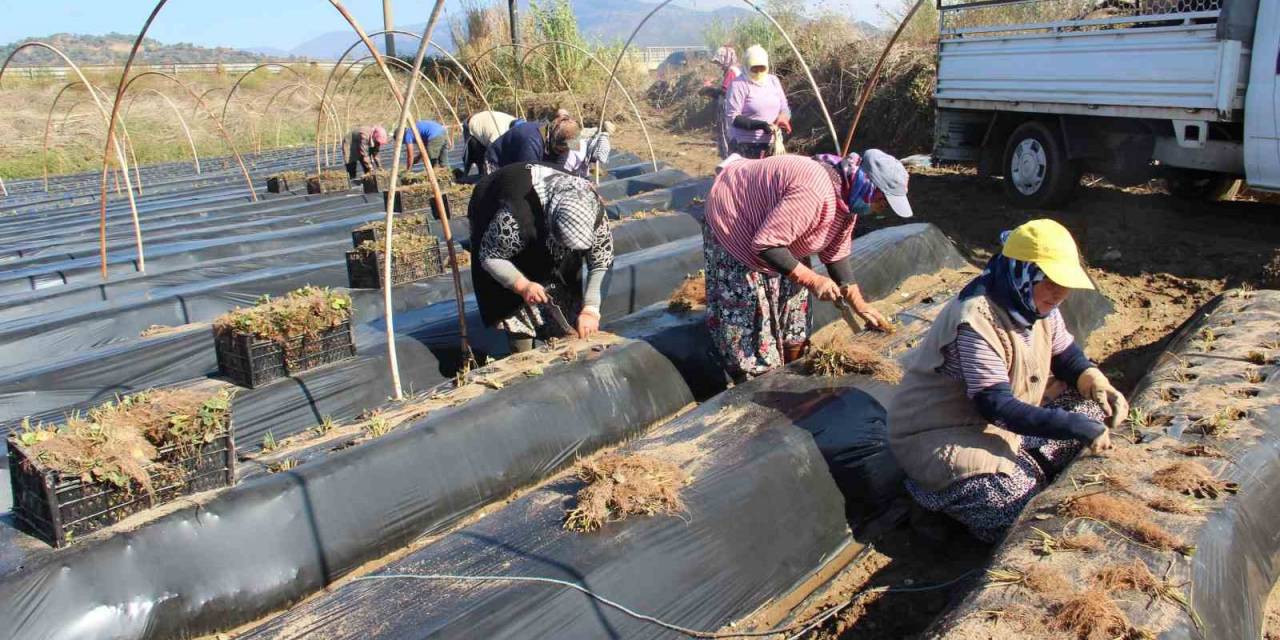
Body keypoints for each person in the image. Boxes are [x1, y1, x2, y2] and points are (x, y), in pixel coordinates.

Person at [889, 219, 1128, 544]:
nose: (1061, 293)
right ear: (1024, 272)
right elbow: (995, 405)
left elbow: (1067, 358)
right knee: (1012, 509)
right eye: (1052, 281)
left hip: (1000, 425)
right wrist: (1074, 428)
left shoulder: (1037, 305)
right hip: (942, 435)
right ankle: (926, 497)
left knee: (1093, 408)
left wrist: (1094, 380)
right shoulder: (975, 319)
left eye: (1066, 283)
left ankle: (1030, 466)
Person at [702, 149, 915, 381]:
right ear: (868, 186)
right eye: (883, 201)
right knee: (750, 314)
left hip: (779, 233)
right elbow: (767, 246)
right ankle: (758, 380)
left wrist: (859, 305)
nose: (882, 209)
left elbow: (836, 253)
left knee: (794, 308)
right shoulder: (814, 191)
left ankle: (790, 365)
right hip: (736, 217)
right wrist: (813, 279)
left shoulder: (847, 200)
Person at [469, 161, 615, 354]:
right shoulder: (514, 219)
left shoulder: (593, 209)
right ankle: (522, 351)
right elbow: (490, 256)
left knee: (565, 289)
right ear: (551, 223)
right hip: (496, 208)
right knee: (514, 302)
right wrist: (522, 285)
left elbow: (601, 261)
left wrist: (591, 309)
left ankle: (558, 338)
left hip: (545, 219)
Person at [724, 45, 791, 159]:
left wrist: (783, 118)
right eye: (754, 68)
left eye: (762, 68)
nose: (759, 72)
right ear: (746, 66)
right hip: (746, 145)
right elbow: (733, 118)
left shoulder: (773, 81)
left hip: (771, 144)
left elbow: (784, 107)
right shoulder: (738, 84)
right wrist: (760, 125)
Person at [461, 110, 517, 178]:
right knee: (477, 154)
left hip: (486, 122)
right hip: (474, 126)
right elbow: (492, 153)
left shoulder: (513, 125)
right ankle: (477, 174)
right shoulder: (498, 135)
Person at [710, 45, 741, 158]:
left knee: (727, 136)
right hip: (732, 108)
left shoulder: (731, 72)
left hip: (728, 109)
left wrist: (710, 91)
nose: (718, 65)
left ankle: (729, 162)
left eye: (719, 62)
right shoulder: (736, 70)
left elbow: (725, 91)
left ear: (726, 59)